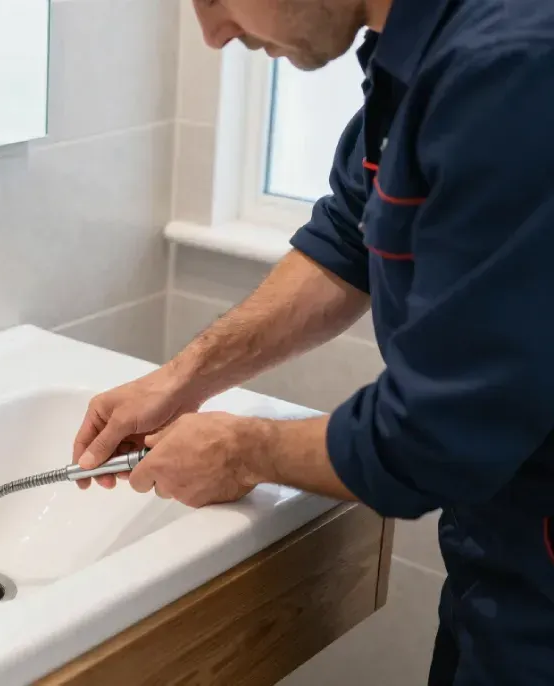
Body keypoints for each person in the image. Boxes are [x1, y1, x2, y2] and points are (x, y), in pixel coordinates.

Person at [73, 0, 554, 683]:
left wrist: (246, 451)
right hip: (502, 575)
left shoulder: (514, 67)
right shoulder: (421, 51)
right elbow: (349, 238)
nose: (212, 34)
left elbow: (440, 432)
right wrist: (181, 378)